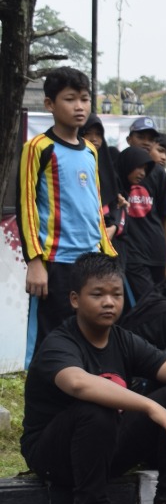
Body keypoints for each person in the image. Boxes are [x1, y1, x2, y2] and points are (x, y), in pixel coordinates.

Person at [20, 253, 166, 504]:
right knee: (97, 407)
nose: (109, 302)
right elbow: (79, 384)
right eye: (98, 294)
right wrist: (148, 406)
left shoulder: (122, 339)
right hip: (53, 456)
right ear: (74, 299)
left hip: (104, 447)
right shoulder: (58, 343)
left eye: (116, 294)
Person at [19, 67, 117, 356]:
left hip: (92, 261)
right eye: (70, 99)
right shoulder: (38, 147)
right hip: (56, 261)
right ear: (49, 104)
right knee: (51, 341)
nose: (79, 107)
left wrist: (107, 250)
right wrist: (35, 260)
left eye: (85, 99)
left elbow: (94, 205)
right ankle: (46, 396)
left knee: (91, 337)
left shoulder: (90, 150)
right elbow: (26, 205)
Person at [114, 144, 166, 306]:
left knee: (157, 303)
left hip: (157, 253)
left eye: (145, 168)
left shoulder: (158, 175)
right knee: (148, 304)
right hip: (133, 256)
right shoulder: (114, 187)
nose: (142, 173)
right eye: (138, 167)